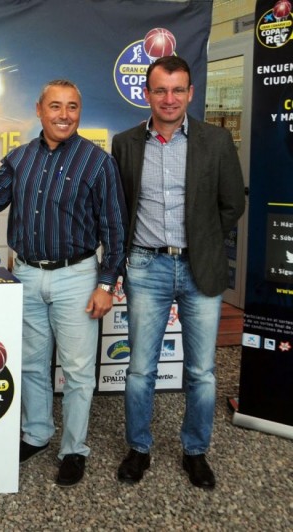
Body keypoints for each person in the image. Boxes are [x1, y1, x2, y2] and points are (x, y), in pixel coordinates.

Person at [0, 79, 127, 487]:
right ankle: (37, 433)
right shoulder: (20, 158)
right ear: (39, 110)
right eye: (55, 106)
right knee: (32, 363)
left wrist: (106, 284)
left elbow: (114, 229)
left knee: (77, 371)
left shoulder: (97, 162)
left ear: (79, 112)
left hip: (77, 277)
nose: (64, 115)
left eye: (72, 107)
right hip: (25, 273)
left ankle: (74, 448)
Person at [112, 56, 245, 490]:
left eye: (178, 90)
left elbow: (232, 205)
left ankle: (195, 451)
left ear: (190, 93)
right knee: (139, 369)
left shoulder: (217, 141)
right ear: (146, 94)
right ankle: (139, 448)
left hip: (198, 269)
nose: (169, 99)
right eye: (160, 90)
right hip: (146, 267)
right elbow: (120, 207)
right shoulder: (125, 143)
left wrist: (206, 242)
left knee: (202, 373)